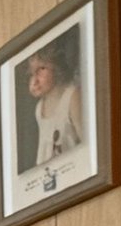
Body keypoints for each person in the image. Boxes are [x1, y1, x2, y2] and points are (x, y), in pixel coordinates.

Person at [25, 31, 86, 164]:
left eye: (41, 69)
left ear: (57, 68)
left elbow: (88, 145)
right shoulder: (40, 107)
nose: (34, 80)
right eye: (31, 73)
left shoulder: (72, 97)